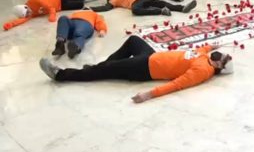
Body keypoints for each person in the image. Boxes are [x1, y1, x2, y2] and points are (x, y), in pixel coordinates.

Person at [39, 36, 234, 103]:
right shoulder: (204, 57)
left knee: (108, 69)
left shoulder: (203, 71)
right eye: (225, 54)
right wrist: (213, 45)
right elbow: (204, 48)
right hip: (150, 56)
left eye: (224, 59)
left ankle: (60, 75)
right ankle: (100, 67)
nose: (223, 55)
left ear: (219, 68)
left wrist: (149, 95)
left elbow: (177, 85)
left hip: (144, 69)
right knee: (133, 41)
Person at [3, 0, 103, 31]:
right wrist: (11, 24)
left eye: (27, 12)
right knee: (79, 4)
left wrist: (52, 16)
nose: (29, 14)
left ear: (25, 7)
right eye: (26, 15)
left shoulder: (34, 0)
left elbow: (50, 8)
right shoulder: (30, 14)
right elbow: (23, 20)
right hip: (60, 7)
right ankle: (85, 1)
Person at [90, 0, 198, 16]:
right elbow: (105, 8)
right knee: (135, 10)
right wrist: (91, 9)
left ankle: (182, 8)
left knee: (160, 2)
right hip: (135, 2)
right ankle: (161, 11)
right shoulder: (112, 0)